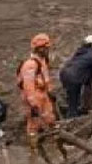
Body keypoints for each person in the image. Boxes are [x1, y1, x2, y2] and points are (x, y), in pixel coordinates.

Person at [17, 34, 60, 163]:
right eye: (45, 47)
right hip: (34, 97)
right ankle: (34, 151)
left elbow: (45, 79)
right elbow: (28, 86)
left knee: (50, 119)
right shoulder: (30, 64)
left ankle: (54, 146)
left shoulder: (42, 61)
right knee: (33, 125)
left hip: (43, 95)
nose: (47, 50)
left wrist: (50, 92)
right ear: (39, 48)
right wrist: (33, 104)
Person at [58, 34, 92, 118]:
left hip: (65, 74)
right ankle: (73, 117)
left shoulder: (80, 51)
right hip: (74, 77)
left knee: (72, 98)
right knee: (74, 99)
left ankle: (72, 112)